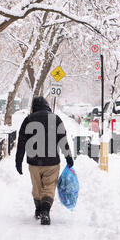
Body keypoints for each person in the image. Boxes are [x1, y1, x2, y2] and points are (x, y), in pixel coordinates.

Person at [15, 96, 74, 225]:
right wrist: (68, 157)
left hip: (34, 162)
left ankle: (38, 209)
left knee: (37, 188)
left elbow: (21, 142)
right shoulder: (56, 119)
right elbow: (63, 140)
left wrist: (18, 161)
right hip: (51, 162)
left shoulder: (28, 120)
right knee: (49, 187)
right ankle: (45, 211)